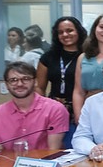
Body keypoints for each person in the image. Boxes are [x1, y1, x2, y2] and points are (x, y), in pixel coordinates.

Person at [0, 61, 69, 150]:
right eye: (13, 80)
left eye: (25, 79)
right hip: (10, 163)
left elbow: (53, 151)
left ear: (35, 82)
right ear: (7, 85)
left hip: (44, 162)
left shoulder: (55, 109)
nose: (19, 84)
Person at [35, 16, 88, 147]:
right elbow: (40, 88)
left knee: (77, 146)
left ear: (79, 32)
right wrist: (39, 112)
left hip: (80, 109)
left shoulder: (88, 56)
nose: (65, 35)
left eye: (70, 30)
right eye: (60, 32)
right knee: (54, 148)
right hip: (54, 109)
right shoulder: (48, 56)